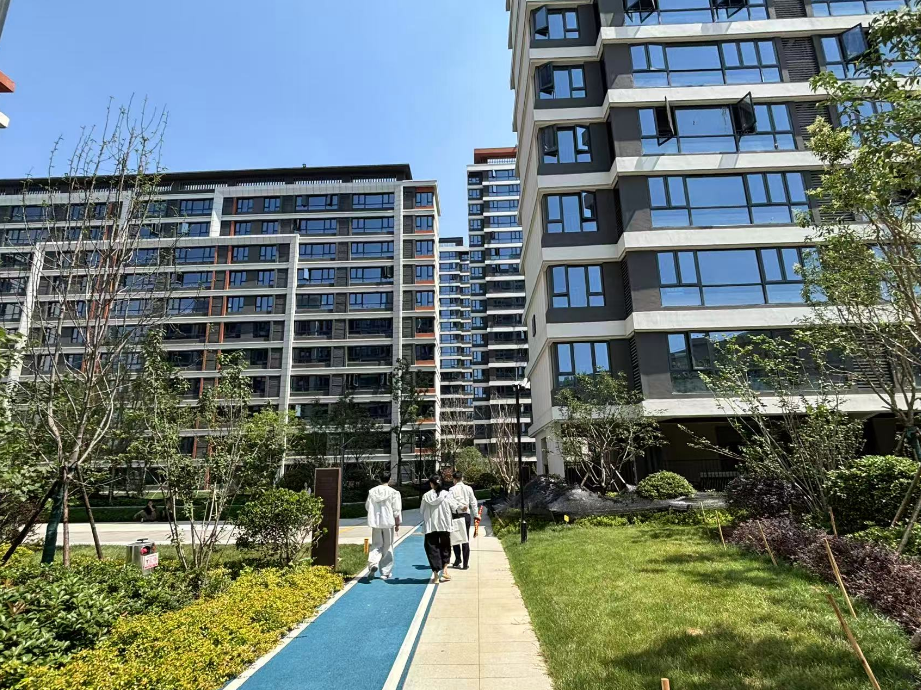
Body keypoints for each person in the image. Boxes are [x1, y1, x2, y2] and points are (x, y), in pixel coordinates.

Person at [420, 475, 458, 583]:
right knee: (445, 547)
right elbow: (454, 507)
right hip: (444, 525)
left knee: (432, 549)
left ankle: (436, 574)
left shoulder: (426, 496)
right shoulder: (447, 494)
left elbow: (422, 511)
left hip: (431, 525)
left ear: (431, 484)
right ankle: (445, 571)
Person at [365, 471, 402, 580]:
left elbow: (367, 506)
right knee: (388, 546)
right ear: (389, 479)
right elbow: (396, 510)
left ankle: (373, 564)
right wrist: (397, 523)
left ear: (379, 479)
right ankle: (385, 573)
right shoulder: (394, 493)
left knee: (376, 545)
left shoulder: (372, 492)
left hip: (376, 523)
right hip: (388, 522)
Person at [449, 471, 477, 569]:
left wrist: (459, 506)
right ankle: (465, 563)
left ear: (454, 479)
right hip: (466, 516)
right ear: (462, 478)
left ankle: (458, 559)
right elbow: (473, 502)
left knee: (455, 538)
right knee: (465, 539)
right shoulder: (468, 488)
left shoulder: (451, 490)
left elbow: (451, 502)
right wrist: (476, 515)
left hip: (456, 515)